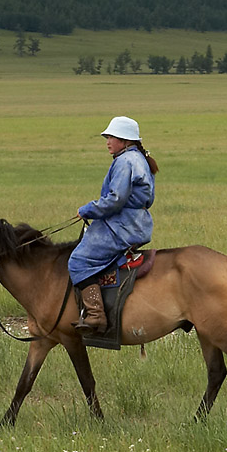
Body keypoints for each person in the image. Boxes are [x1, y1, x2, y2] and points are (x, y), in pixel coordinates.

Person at [68, 116, 159, 335]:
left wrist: (87, 209)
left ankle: (96, 315)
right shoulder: (138, 158)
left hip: (122, 226)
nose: (107, 141)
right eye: (107, 137)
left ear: (126, 140)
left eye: (111, 137)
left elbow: (116, 199)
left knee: (78, 260)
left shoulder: (125, 161)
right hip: (135, 224)